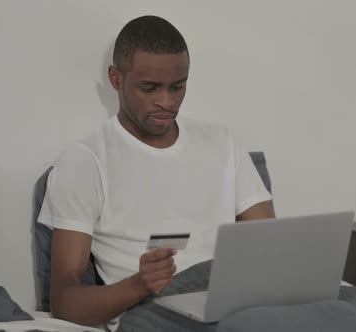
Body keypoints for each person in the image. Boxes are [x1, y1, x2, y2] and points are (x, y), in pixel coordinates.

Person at [37, 15, 275, 327]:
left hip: (233, 300)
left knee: (352, 306)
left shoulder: (222, 142)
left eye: (178, 87)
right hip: (152, 309)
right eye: (150, 88)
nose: (167, 102)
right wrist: (140, 284)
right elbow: (65, 303)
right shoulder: (85, 161)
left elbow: (272, 250)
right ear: (116, 79)